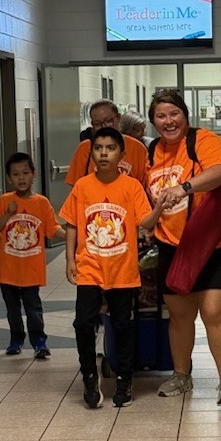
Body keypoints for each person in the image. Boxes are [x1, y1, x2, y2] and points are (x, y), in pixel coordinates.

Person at [59, 127, 168, 409]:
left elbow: (145, 222)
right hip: (89, 266)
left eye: (110, 148)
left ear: (121, 154)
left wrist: (160, 207)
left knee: (122, 326)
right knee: (83, 323)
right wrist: (70, 260)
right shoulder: (83, 185)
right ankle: (89, 377)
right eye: (98, 148)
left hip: (122, 269)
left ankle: (124, 380)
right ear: (91, 153)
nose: (104, 153)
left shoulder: (131, 186)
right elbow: (71, 223)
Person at [147, 89, 221, 407]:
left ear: (184, 115)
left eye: (174, 113)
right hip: (173, 247)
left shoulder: (203, 140)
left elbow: (220, 172)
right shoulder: (151, 152)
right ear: (154, 121)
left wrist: (185, 187)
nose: (168, 121)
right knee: (180, 315)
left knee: (214, 312)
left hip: (216, 244)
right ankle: (182, 375)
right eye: (161, 115)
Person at [0, 152, 66, 358]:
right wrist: (8, 214)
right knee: (13, 310)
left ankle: (39, 342)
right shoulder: (5, 201)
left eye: (25, 173)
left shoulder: (41, 203)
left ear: (33, 175)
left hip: (31, 269)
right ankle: (16, 339)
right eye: (15, 174)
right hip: (8, 269)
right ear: (9, 178)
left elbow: (53, 229)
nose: (21, 178)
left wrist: (71, 237)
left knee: (34, 308)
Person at [65, 100, 148, 187]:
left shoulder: (137, 148)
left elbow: (144, 186)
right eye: (97, 124)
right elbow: (76, 190)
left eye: (108, 121)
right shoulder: (85, 148)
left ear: (118, 118)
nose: (104, 127)